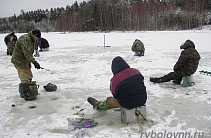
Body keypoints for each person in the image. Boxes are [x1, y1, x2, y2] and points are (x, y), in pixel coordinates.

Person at [11, 29, 42, 101]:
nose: (37, 40)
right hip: (19, 61)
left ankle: (30, 90)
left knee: (29, 75)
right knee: (24, 77)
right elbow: (27, 52)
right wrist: (34, 62)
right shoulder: (26, 39)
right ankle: (27, 94)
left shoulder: (30, 39)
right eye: (37, 38)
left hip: (25, 60)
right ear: (34, 35)